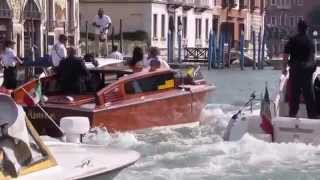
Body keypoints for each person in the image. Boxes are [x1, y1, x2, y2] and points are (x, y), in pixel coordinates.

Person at [282, 20, 317, 119]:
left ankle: (293, 114)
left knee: (295, 93)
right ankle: (312, 115)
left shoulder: (292, 40)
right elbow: (312, 57)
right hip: (307, 70)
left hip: (296, 69)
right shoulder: (310, 41)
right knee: (309, 93)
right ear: (307, 29)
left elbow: (285, 55)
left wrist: (284, 68)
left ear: (298, 28)